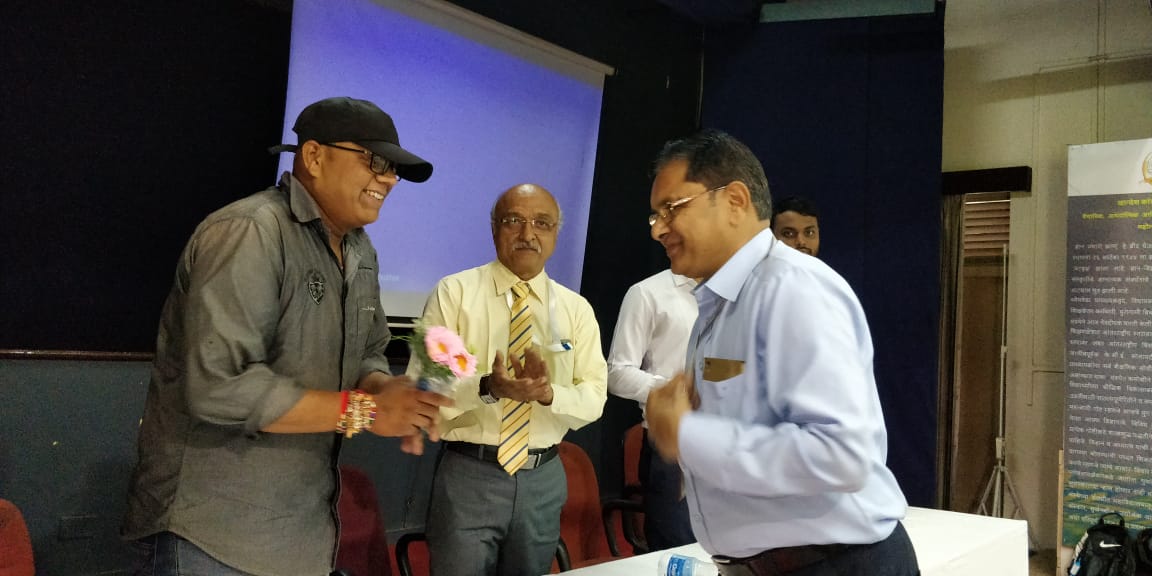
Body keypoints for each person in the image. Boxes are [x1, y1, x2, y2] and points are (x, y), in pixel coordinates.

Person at [121, 96, 454, 576]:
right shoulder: (251, 231)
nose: (388, 179)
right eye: (375, 162)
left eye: (394, 170)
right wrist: (365, 411)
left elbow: (367, 354)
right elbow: (220, 386)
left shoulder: (361, 251)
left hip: (299, 536)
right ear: (314, 156)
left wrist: (390, 392)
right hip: (212, 536)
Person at [644, 130, 918, 576]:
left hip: (832, 565)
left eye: (672, 208)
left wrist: (688, 434)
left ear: (735, 200)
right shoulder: (720, 305)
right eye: (655, 215)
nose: (659, 229)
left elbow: (841, 453)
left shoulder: (790, 288)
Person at [414, 183, 607, 576]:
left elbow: (594, 397)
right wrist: (488, 388)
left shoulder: (576, 310)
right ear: (494, 228)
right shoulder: (455, 294)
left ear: (556, 234)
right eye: (514, 220)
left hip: (543, 478)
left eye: (542, 223)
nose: (527, 233)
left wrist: (550, 394)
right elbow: (427, 386)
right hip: (471, 475)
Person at [606, 269, 697, 551]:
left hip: (728, 445)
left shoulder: (736, 292)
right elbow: (617, 373)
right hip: (673, 447)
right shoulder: (648, 293)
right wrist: (673, 391)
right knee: (677, 554)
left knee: (728, 558)